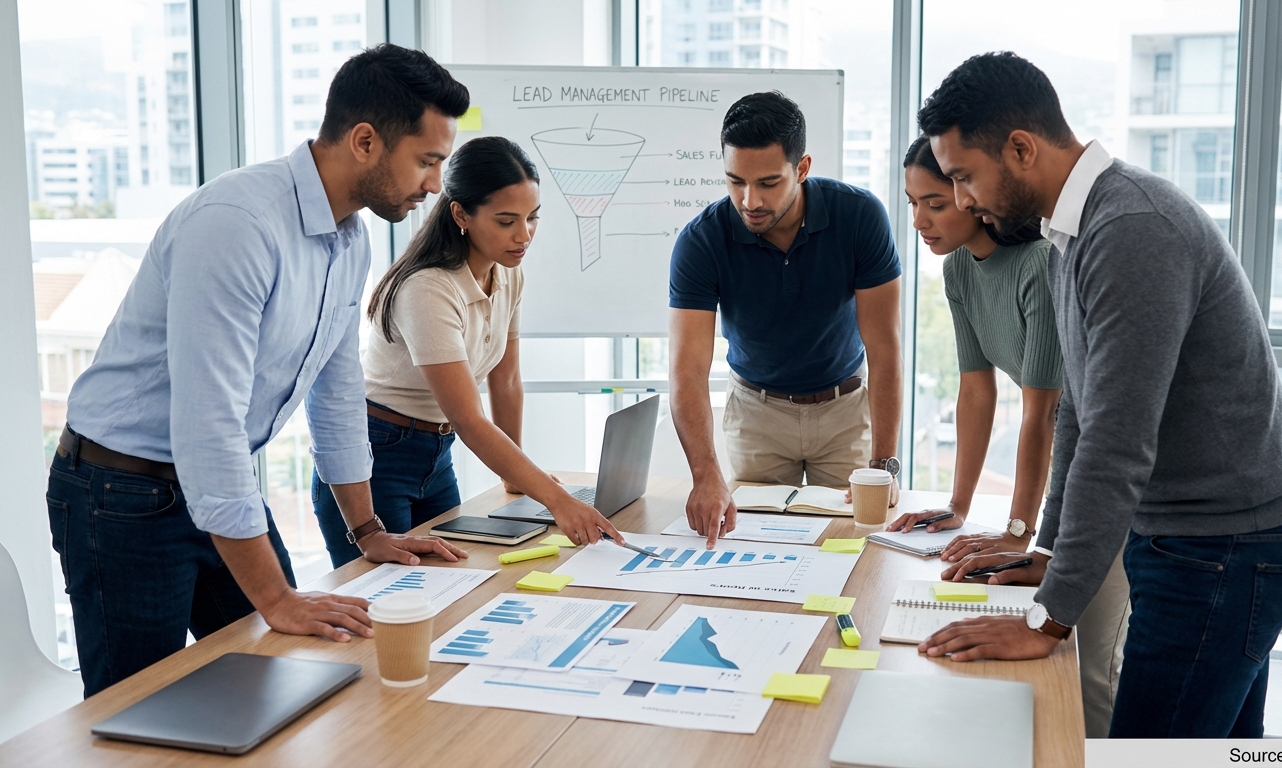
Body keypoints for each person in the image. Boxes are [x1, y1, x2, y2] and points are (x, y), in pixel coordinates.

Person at [47, 44, 470, 698]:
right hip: (120, 491)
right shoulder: (238, 224)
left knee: (271, 685)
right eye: (427, 161)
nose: (435, 186)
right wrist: (277, 596)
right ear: (365, 141)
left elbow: (335, 391)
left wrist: (368, 531)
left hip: (212, 483)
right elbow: (207, 426)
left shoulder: (348, 238)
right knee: (136, 712)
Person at [914, 52, 1282, 739]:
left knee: (1146, 753)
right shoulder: (1075, 230)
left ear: (1020, 148)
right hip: (1200, 542)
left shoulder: (1131, 230)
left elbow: (1117, 442)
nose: (961, 201)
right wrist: (1046, 550)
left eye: (963, 177)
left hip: (1225, 550)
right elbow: (1080, 409)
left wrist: (1051, 617)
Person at [890, 135, 1131, 739]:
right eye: (912, 203)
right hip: (1071, 493)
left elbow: (1045, 410)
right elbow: (976, 392)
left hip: (1108, 493)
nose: (919, 220)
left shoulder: (1037, 265)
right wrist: (958, 507)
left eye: (936, 203)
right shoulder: (957, 273)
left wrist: (1022, 532)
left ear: (973, 197)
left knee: (1090, 670)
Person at [313, 136, 624, 566]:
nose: (524, 234)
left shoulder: (508, 273)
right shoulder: (428, 288)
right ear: (460, 213)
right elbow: (468, 417)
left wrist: (513, 477)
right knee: (387, 599)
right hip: (378, 456)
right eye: (506, 221)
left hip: (437, 455)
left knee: (450, 579)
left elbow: (507, 378)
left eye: (533, 218)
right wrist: (554, 498)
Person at [669, 91, 903, 548]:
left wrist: (885, 462)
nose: (749, 200)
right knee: (751, 549)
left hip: (845, 412)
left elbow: (886, 349)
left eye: (769, 183)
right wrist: (705, 474)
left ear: (802, 168)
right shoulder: (701, 241)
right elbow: (687, 370)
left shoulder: (860, 217)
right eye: (735, 181)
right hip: (756, 415)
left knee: (857, 546)